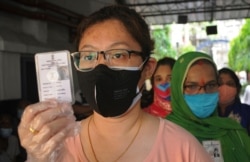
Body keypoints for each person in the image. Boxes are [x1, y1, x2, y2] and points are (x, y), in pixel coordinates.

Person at [18, 5, 213, 162]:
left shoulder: (182, 148)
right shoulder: (57, 144)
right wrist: (36, 158)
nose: (100, 66)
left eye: (118, 54)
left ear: (147, 68)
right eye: (88, 55)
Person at [167, 51, 250, 162]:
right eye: (192, 86)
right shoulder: (162, 135)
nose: (203, 93)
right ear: (178, 90)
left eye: (211, 85)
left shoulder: (233, 131)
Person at [218, 67, 250, 134]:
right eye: (220, 84)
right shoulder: (207, 113)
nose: (224, 88)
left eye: (230, 84)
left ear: (237, 88)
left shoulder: (247, 111)